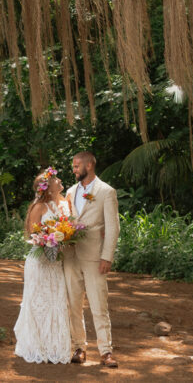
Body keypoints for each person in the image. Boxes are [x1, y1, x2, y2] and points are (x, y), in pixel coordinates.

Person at [63, 151, 120, 368]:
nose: (74, 169)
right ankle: (79, 347)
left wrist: (107, 256)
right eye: (74, 166)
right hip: (70, 255)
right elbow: (65, 221)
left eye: (77, 166)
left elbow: (113, 227)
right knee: (73, 305)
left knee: (99, 304)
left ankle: (105, 351)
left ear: (89, 165)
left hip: (95, 256)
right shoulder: (69, 191)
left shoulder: (106, 192)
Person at [13, 167, 73, 364]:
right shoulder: (38, 207)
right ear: (47, 187)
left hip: (57, 263)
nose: (60, 181)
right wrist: (47, 240)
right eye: (56, 180)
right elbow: (32, 234)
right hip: (40, 261)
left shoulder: (65, 203)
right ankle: (37, 345)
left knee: (56, 302)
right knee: (39, 303)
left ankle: (55, 346)